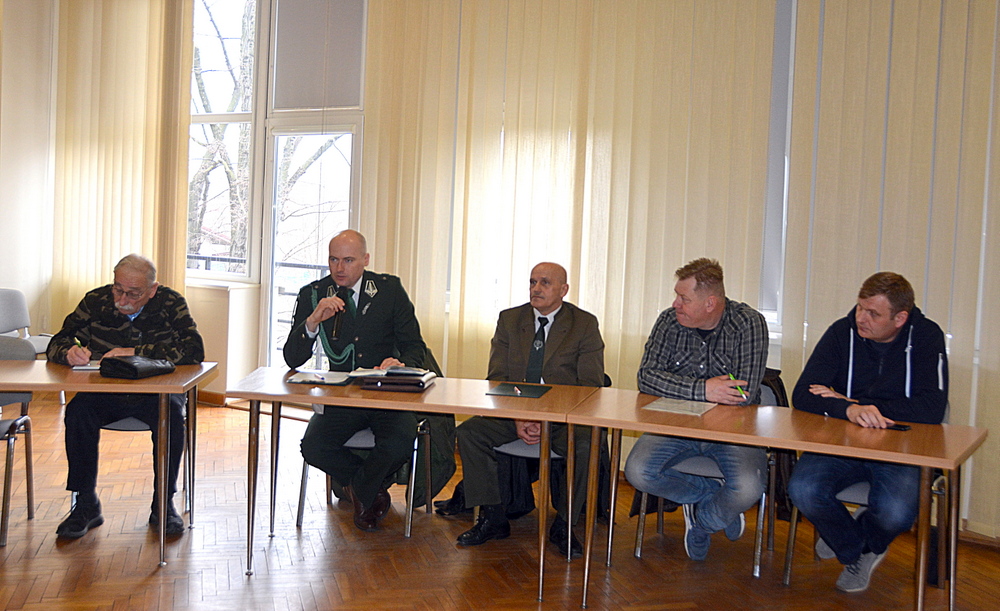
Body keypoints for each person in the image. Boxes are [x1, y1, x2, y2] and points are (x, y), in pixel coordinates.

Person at [787, 272, 948, 593]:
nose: (861, 318)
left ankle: (853, 537)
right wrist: (848, 411)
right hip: (842, 441)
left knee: (896, 513)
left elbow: (931, 408)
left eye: (873, 313)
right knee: (803, 489)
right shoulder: (842, 332)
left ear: (900, 318)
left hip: (901, 445)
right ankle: (857, 547)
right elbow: (803, 394)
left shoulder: (927, 337)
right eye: (860, 307)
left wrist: (856, 403)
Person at [451, 262, 604, 558]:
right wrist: (518, 416)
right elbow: (497, 377)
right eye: (533, 282)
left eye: (545, 283)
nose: (536, 288)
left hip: (562, 417)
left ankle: (564, 524)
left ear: (564, 289)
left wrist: (545, 419)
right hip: (516, 411)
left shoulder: (583, 324)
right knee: (470, 432)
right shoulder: (510, 319)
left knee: (586, 444)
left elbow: (590, 386)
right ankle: (493, 517)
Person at [47, 254, 205, 539]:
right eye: (118, 289)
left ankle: (163, 503)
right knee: (77, 412)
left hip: (156, 392)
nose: (123, 299)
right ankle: (86, 504)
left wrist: (136, 352)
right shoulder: (95, 301)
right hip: (106, 390)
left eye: (134, 293)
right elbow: (58, 340)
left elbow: (194, 349)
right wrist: (68, 352)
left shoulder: (170, 303)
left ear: (152, 289)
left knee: (172, 417)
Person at [623, 258, 768, 561]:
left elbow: (743, 394)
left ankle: (704, 520)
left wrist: (678, 386)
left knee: (748, 488)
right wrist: (703, 390)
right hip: (677, 424)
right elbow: (646, 377)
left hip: (732, 430)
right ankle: (710, 496)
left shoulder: (748, 323)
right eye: (677, 296)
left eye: (684, 298)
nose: (675, 304)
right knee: (637, 471)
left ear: (710, 303)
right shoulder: (669, 321)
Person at [284, 229, 428, 532]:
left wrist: (401, 363)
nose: (339, 268)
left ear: (365, 260)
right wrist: (312, 322)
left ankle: (360, 490)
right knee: (313, 446)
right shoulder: (314, 293)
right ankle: (371, 491)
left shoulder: (389, 290)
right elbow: (292, 359)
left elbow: (415, 346)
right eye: (333, 260)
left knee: (401, 440)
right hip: (342, 398)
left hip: (385, 394)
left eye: (348, 260)